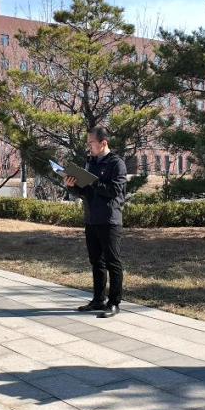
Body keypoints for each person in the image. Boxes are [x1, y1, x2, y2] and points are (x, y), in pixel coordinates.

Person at [66, 127, 128, 318]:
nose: (89, 146)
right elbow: (86, 192)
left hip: (109, 220)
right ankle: (98, 300)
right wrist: (73, 186)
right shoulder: (90, 162)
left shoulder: (116, 163)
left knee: (112, 262)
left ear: (103, 143)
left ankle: (114, 303)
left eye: (91, 143)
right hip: (91, 219)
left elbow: (114, 191)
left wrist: (93, 181)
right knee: (96, 262)